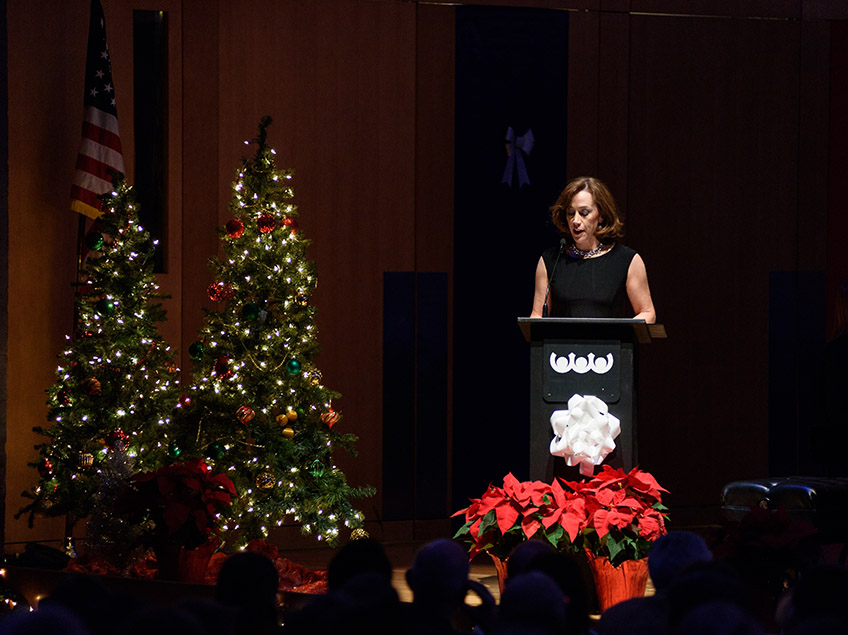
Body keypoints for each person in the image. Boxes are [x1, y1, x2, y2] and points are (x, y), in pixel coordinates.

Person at [530, 177, 655, 323]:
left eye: (584, 213)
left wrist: (618, 333)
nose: (575, 221)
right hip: (562, 345)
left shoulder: (627, 260)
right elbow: (536, 317)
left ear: (601, 215)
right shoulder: (551, 260)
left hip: (610, 345)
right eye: (570, 213)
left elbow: (647, 313)